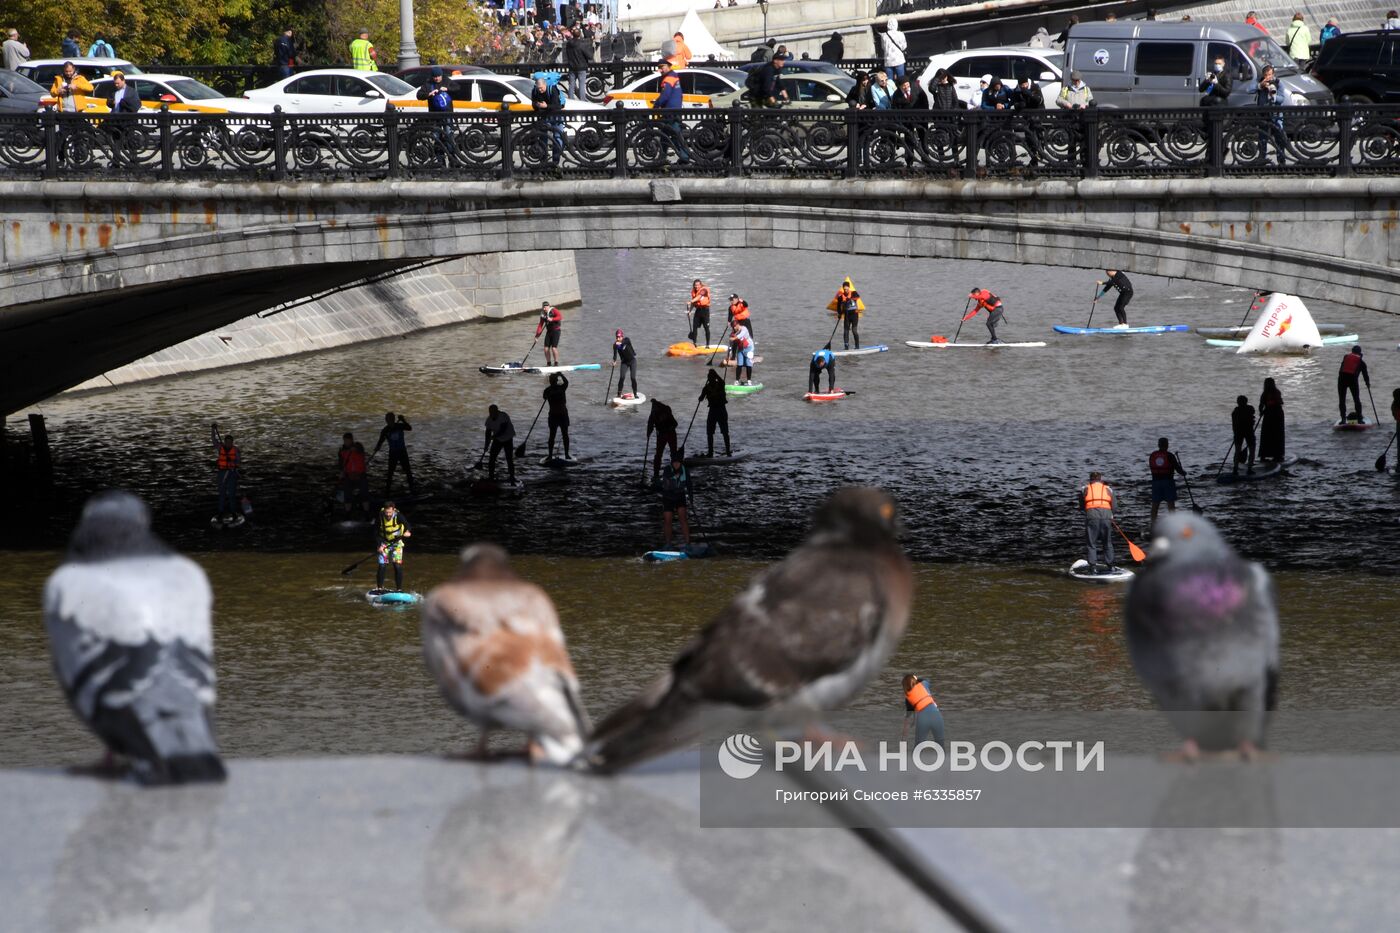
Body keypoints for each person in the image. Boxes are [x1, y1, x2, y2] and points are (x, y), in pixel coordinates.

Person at [652, 59, 692, 165]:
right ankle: (662, 157)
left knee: (675, 135)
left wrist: (656, 105)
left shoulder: (669, 78)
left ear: (669, 66)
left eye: (662, 67)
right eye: (659, 67)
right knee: (665, 134)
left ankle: (684, 157)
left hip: (670, 112)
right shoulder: (674, 75)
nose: (660, 69)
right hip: (673, 110)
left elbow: (665, 95)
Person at [1079, 471, 1116, 574]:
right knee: (1107, 542)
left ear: (1090, 480)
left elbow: (1082, 507)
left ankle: (1093, 567)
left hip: (1092, 516)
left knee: (1091, 543)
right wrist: (1110, 515)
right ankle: (1111, 566)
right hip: (1106, 517)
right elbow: (1114, 507)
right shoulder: (1108, 489)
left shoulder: (1084, 489)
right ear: (1101, 479)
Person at [1254, 65, 1291, 165]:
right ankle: (1262, 158)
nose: (1268, 77)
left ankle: (1281, 160)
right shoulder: (1260, 81)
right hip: (1263, 114)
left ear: (1273, 74)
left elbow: (1282, 99)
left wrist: (1274, 96)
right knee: (1262, 137)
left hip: (1276, 115)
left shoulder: (1278, 83)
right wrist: (1260, 85)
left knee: (1279, 137)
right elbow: (1248, 90)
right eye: (1266, 75)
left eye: (1270, 75)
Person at [373, 412, 416, 495]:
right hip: (393, 453)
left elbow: (409, 428)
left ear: (392, 419)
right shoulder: (385, 430)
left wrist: (403, 420)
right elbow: (380, 441)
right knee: (390, 472)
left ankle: (412, 489)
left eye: (388, 419)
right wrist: (377, 447)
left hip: (402, 451)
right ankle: (387, 492)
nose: (387, 421)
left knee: (407, 470)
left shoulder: (399, 426)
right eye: (386, 419)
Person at [900, 673, 946, 749]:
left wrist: (903, 738)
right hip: (937, 716)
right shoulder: (924, 684)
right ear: (915, 679)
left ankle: (911, 760)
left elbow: (907, 719)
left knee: (918, 747)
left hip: (923, 718)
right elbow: (927, 679)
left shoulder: (908, 698)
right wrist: (916, 678)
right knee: (940, 745)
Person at [1147, 437, 1186, 525]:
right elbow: (1178, 469)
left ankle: (1153, 524)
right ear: (1167, 445)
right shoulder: (1170, 456)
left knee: (1155, 505)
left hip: (1156, 483)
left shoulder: (1152, 455)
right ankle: (1173, 523)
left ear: (1158, 445)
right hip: (1168, 482)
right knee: (1171, 504)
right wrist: (1184, 473)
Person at [375, 501, 411, 592]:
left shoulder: (398, 516)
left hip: (397, 543)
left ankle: (399, 589)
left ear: (393, 510)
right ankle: (379, 588)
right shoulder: (380, 516)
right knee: (382, 565)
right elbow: (376, 532)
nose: (388, 515)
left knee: (397, 565)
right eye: (386, 512)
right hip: (384, 542)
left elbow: (408, 525)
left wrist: (407, 532)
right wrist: (379, 545)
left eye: (390, 512)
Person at [531, 72, 566, 168]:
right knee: (543, 137)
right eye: (538, 88)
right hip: (544, 117)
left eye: (541, 88)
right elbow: (533, 104)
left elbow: (557, 105)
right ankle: (543, 160)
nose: (540, 90)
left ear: (545, 84)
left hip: (556, 116)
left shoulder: (553, 89)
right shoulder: (535, 91)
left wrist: (546, 106)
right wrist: (537, 105)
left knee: (557, 137)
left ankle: (555, 161)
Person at [658, 455, 691, 549]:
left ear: (681, 463)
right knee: (668, 520)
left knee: (683, 519)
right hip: (668, 497)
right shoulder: (667, 470)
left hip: (680, 497)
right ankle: (668, 544)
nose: (676, 465)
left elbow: (689, 485)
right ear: (672, 463)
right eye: (674, 463)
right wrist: (674, 476)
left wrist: (691, 500)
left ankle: (688, 544)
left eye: (678, 463)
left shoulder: (685, 470)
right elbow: (666, 484)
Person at [211, 423, 241, 523]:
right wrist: (213, 430)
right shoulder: (220, 448)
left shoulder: (236, 450)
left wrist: (231, 462)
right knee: (222, 494)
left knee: (232, 494)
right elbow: (214, 440)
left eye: (230, 442)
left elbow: (238, 462)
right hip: (222, 473)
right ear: (225, 442)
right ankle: (220, 512)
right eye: (227, 442)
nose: (228, 444)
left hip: (231, 473)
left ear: (232, 443)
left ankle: (233, 512)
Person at [338, 432, 370, 516]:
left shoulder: (358, 446)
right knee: (347, 493)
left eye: (348, 441)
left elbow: (360, 449)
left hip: (360, 474)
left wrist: (354, 449)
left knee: (364, 492)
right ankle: (348, 513)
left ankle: (366, 512)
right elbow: (340, 464)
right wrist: (341, 472)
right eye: (345, 441)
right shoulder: (341, 451)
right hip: (349, 475)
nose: (346, 442)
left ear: (351, 440)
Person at [700, 369, 731, 457]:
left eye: (711, 377)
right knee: (709, 432)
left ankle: (728, 451)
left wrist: (715, 373)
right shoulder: (706, 388)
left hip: (721, 410)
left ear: (714, 378)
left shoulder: (720, 384)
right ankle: (710, 452)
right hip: (713, 411)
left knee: (724, 432)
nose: (710, 379)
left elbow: (722, 381)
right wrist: (701, 397)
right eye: (709, 377)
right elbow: (701, 398)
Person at [484, 404, 517, 484]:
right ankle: (491, 477)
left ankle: (512, 477)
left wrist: (493, 437)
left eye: (493, 412)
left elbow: (503, 429)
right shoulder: (489, 420)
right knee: (492, 458)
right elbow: (488, 433)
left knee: (509, 458)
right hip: (497, 439)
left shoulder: (503, 416)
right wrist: (486, 445)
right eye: (490, 412)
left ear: (497, 411)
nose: (492, 414)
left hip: (508, 438)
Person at [646, 398, 679, 478]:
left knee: (672, 453)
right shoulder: (654, 413)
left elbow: (675, 423)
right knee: (659, 454)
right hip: (662, 435)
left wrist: (668, 429)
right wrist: (648, 434)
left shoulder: (665, 409)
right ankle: (656, 473)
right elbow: (650, 425)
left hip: (669, 433)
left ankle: (674, 471)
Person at [1338, 345, 1370, 424]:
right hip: (1353, 380)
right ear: (1360, 352)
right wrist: (1367, 384)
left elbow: (1342, 368)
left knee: (1342, 400)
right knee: (1356, 399)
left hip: (1341, 380)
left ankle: (1343, 419)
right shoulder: (1361, 362)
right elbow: (1365, 375)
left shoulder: (1345, 357)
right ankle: (1359, 419)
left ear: (1352, 351)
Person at [544, 373, 571, 460]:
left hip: (562, 414)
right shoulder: (548, 390)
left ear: (555, 381)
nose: (552, 381)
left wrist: (561, 375)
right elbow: (544, 397)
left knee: (565, 435)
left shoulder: (561, 387)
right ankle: (550, 455)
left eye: (553, 380)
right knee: (552, 436)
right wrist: (561, 375)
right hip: (553, 415)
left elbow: (566, 382)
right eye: (551, 380)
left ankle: (566, 454)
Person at [1259, 377, 1285, 461]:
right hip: (1273, 415)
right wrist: (1261, 411)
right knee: (1273, 434)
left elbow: (1279, 402)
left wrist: (1262, 410)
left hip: (1273, 415)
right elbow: (1262, 405)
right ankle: (1275, 455)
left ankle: (1272, 455)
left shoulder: (1267, 393)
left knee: (1269, 434)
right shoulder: (1271, 393)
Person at [832, 277, 862, 349]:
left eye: (847, 289)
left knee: (854, 331)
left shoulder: (854, 293)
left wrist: (849, 299)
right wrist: (839, 313)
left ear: (849, 288)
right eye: (844, 289)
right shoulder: (841, 297)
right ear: (843, 289)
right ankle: (846, 347)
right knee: (845, 331)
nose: (846, 290)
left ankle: (857, 346)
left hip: (854, 315)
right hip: (847, 316)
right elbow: (839, 307)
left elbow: (857, 297)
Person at [564, 27, 592, 101]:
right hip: (581, 66)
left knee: (571, 85)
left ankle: (571, 99)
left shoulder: (568, 44)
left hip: (572, 66)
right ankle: (582, 100)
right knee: (581, 85)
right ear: (580, 34)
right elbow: (589, 56)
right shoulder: (582, 44)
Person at [1232, 395, 1257, 474]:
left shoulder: (1235, 412)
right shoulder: (1250, 409)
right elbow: (1252, 417)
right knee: (1252, 449)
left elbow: (1234, 424)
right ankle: (1249, 468)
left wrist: (1235, 433)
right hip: (1248, 431)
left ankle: (1235, 468)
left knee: (1237, 450)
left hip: (1238, 432)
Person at [536, 299, 563, 365]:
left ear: (549, 306)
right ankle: (548, 363)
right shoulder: (543, 314)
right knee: (546, 348)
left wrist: (552, 319)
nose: (544, 308)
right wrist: (537, 336)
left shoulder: (554, 310)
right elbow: (540, 325)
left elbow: (560, 317)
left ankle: (556, 363)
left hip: (556, 331)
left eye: (545, 307)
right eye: (543, 307)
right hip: (549, 332)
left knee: (553, 348)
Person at [612, 328, 638, 398]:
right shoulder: (615, 345)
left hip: (632, 361)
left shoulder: (627, 340)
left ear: (622, 336)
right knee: (622, 377)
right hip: (624, 362)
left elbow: (623, 343)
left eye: (619, 337)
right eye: (617, 337)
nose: (618, 338)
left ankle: (635, 394)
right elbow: (615, 355)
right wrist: (614, 361)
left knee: (633, 378)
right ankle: (619, 394)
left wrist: (619, 343)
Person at [730, 320, 756, 385]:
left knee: (748, 364)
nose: (734, 328)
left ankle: (749, 381)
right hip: (741, 349)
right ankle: (737, 381)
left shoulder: (744, 328)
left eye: (735, 326)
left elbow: (741, 335)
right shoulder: (734, 332)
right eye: (733, 327)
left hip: (749, 348)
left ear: (738, 324)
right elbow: (731, 342)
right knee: (739, 364)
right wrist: (730, 350)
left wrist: (734, 338)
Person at [882, 16, 907, 82]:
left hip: (888, 61)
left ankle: (891, 92)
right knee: (901, 80)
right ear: (896, 24)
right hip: (899, 60)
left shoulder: (884, 35)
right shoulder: (901, 34)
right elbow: (904, 47)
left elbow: (883, 47)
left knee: (890, 82)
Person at [688, 279, 712, 345]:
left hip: (705, 311)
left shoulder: (704, 290)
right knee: (694, 327)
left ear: (700, 285)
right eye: (695, 285)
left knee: (706, 328)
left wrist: (691, 301)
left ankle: (708, 345)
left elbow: (699, 297)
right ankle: (694, 343)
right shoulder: (693, 291)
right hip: (698, 310)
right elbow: (694, 302)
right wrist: (689, 311)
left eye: (698, 285)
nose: (696, 287)